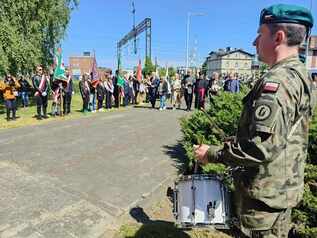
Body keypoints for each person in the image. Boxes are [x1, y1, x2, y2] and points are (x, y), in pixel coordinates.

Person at [194, 4, 315, 238]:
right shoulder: (299, 74)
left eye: (260, 34)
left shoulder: (278, 83)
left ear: (278, 37)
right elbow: (281, 138)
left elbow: (260, 148)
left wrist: (211, 154)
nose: (254, 42)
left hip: (264, 201)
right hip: (277, 193)